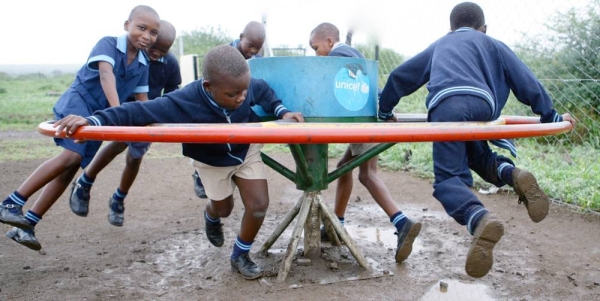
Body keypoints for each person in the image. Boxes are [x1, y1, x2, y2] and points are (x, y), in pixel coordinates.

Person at [52, 45, 305, 280]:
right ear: (208, 86)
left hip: (246, 151)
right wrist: (93, 120)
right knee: (224, 209)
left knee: (259, 205)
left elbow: (263, 92)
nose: (241, 98)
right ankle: (211, 214)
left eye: (244, 91)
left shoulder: (245, 86)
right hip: (211, 161)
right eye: (232, 94)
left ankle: (240, 254)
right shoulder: (185, 100)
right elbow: (137, 112)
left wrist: (282, 111)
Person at [377, 2, 576, 278]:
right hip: (482, 104)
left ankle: (478, 218)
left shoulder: (440, 45)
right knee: (477, 156)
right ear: (484, 27)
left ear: (450, 28)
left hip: (446, 106)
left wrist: (385, 111)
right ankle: (512, 174)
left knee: (448, 179)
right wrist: (551, 115)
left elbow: (401, 77)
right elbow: (525, 80)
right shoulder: (493, 44)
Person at [0, 5, 160, 251]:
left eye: (153, 32)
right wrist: (117, 113)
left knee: (70, 168)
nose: (147, 36)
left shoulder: (142, 64)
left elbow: (142, 101)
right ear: (127, 25)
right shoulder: (107, 44)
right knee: (71, 155)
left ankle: (28, 224)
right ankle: (11, 203)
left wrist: (157, 124)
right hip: (79, 104)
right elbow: (107, 76)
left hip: (99, 117)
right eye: (142, 28)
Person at [308, 22, 422, 264]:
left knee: (367, 175)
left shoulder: (337, 56)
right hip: (366, 118)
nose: (315, 54)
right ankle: (335, 224)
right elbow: (369, 84)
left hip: (362, 123)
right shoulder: (352, 54)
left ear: (329, 42)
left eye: (315, 47)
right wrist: (384, 104)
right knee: (343, 167)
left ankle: (401, 223)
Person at [69, 20, 181, 227]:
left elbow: (173, 91)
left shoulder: (170, 64)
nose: (156, 53)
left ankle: (118, 198)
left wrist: (165, 117)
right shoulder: (133, 55)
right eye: (153, 48)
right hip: (123, 106)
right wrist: (116, 110)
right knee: (116, 145)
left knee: (135, 157)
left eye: (163, 50)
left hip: (147, 112)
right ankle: (85, 182)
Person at [193, 20, 267, 199]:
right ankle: (199, 172)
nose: (253, 51)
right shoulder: (225, 56)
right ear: (241, 38)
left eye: (258, 48)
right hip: (219, 105)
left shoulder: (256, 60)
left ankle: (237, 170)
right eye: (250, 45)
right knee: (210, 134)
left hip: (240, 103)